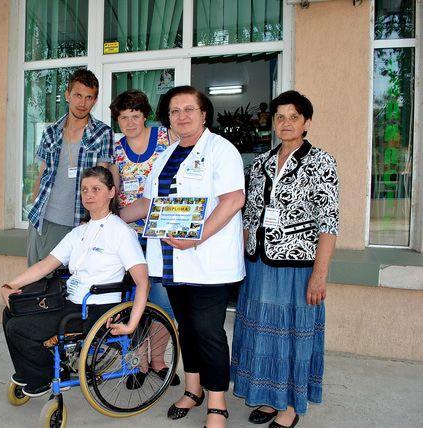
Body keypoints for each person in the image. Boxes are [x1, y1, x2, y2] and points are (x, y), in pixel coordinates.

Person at [120, 86, 245, 428]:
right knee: (186, 328)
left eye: (189, 109)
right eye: (175, 111)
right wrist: (110, 218)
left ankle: (217, 404)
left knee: (209, 332)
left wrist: (197, 237)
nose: (182, 116)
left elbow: (233, 200)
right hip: (171, 262)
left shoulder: (221, 149)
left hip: (208, 262)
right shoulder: (166, 156)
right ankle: (193, 389)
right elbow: (148, 203)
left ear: (204, 114)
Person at [231, 90, 339, 428]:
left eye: (294, 117)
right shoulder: (260, 163)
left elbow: (329, 222)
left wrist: (319, 275)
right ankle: (267, 396)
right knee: (260, 333)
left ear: (307, 122)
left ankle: (289, 406)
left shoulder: (321, 162)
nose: (286, 123)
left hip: (297, 267)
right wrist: (239, 263)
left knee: (291, 336)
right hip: (258, 264)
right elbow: (249, 216)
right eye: (280, 117)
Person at [2, 166, 150, 397]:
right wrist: (11, 285)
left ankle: (45, 376)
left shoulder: (121, 232)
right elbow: (46, 264)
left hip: (97, 308)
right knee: (11, 311)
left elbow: (142, 282)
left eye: (96, 189)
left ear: (111, 192)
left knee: (19, 329)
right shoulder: (79, 232)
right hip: (71, 301)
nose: (89, 195)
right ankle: (31, 372)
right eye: (84, 190)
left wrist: (132, 324)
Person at [109, 89, 179, 389]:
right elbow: (113, 192)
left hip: (163, 235)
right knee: (133, 300)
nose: (129, 122)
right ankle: (138, 362)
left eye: (135, 116)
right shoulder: (116, 150)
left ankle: (159, 360)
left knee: (162, 302)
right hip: (129, 238)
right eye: (123, 117)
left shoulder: (166, 137)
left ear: (145, 116)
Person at [27, 69, 115, 266]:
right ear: (67, 95)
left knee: (67, 282)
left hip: (78, 223)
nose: (82, 103)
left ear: (95, 100)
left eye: (88, 97)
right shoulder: (50, 132)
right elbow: (41, 174)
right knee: (34, 281)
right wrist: (34, 206)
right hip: (41, 220)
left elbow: (102, 180)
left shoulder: (103, 133)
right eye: (77, 95)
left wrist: (93, 219)